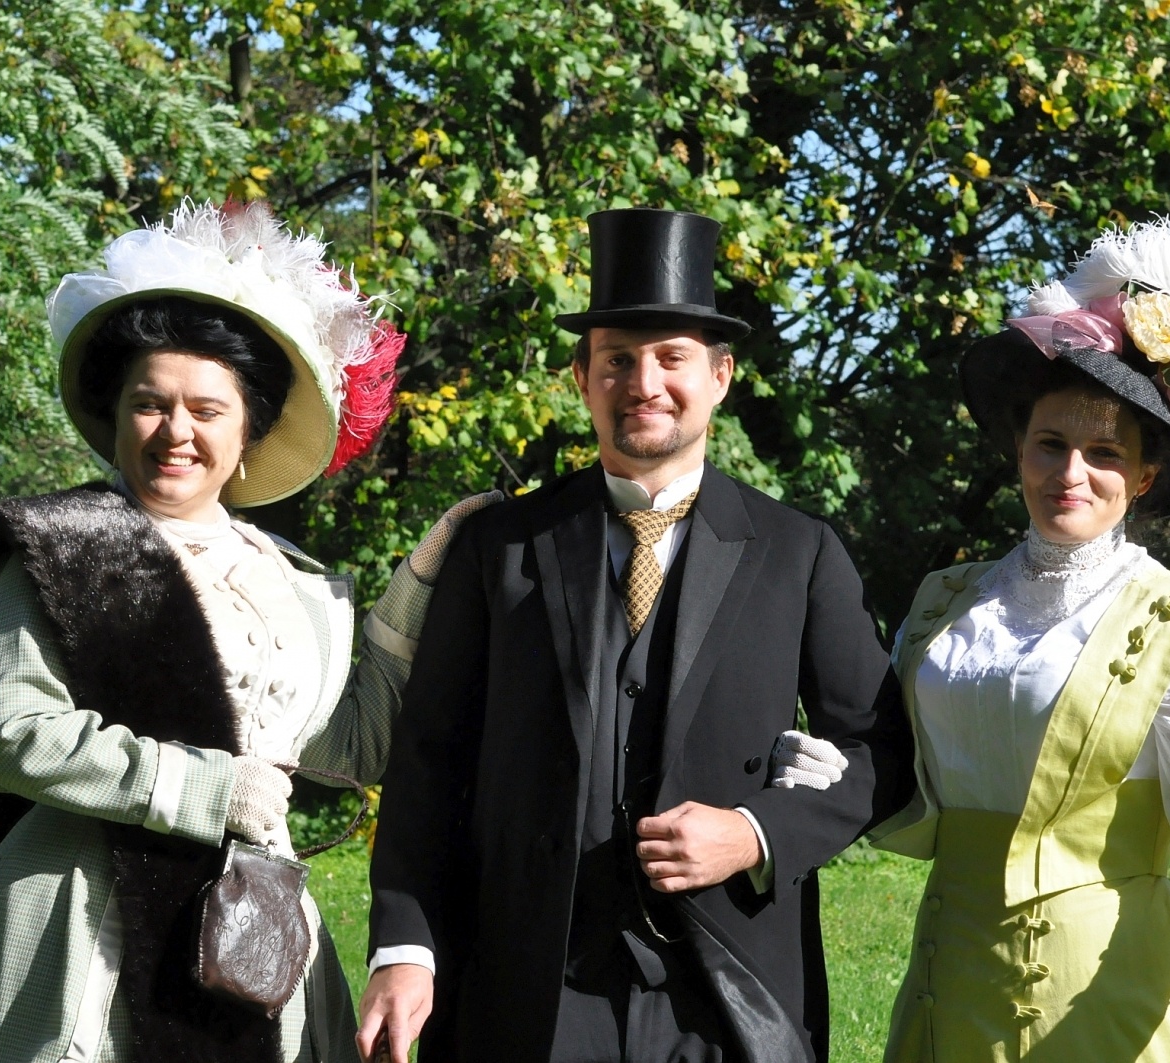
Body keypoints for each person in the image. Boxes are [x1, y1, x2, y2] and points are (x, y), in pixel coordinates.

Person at [0, 200, 497, 1063]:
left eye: (206, 410)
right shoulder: (58, 545)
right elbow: (15, 734)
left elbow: (349, 746)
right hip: (84, 933)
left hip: (248, 939)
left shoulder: (291, 583)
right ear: (115, 413)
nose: (175, 432)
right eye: (150, 404)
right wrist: (207, 790)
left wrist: (423, 577)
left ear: (249, 431)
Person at [356, 207, 914, 1063]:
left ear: (721, 375)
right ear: (582, 376)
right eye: (618, 359)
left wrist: (757, 833)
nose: (644, 382)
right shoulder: (496, 547)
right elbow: (428, 761)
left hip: (726, 989)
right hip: (523, 981)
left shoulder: (801, 552)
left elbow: (881, 750)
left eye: (671, 359)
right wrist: (404, 944)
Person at [873, 218, 1170, 1062]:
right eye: (1051, 444)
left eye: (1104, 452)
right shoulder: (945, 608)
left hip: (1115, 1011)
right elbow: (899, 769)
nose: (1071, 473)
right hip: (950, 996)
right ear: (1019, 453)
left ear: (1144, 477)